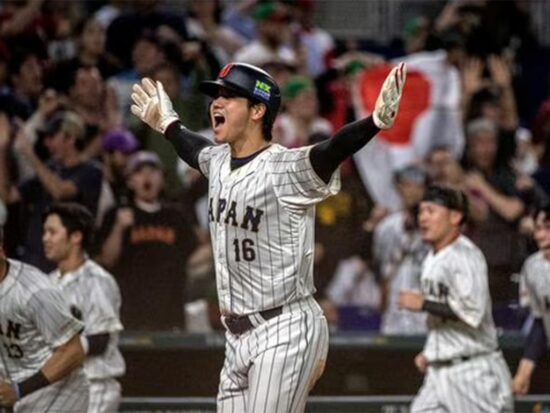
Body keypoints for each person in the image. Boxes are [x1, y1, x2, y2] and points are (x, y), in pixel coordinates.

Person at [130, 60, 406, 412]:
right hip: (237, 335)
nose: (216, 102)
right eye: (216, 95)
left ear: (258, 110)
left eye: (229, 96)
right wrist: (169, 125)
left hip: (285, 326)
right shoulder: (217, 161)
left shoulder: (283, 166)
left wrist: (373, 123)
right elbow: (193, 148)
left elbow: (330, 150)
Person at [398, 185, 513, 413]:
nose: (423, 218)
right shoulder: (433, 255)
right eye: (421, 212)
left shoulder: (465, 256)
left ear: (455, 216)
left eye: (431, 211)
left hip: (473, 373)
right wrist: (433, 351)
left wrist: (423, 304)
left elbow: (472, 312)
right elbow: (443, 317)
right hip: (440, 372)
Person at [43, 203, 125, 412]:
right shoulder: (48, 282)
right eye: (45, 232)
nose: (46, 239)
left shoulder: (97, 280)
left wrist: (60, 347)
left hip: (93, 386)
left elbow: (100, 340)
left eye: (52, 232)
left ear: (76, 237)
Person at [0, 225, 89, 412]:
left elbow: (73, 351)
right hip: (17, 394)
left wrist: (19, 390)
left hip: (58, 394)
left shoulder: (34, 290)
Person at [513, 205, 550, 395]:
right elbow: (540, 322)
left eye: (548, 228)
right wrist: (524, 372)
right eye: (537, 228)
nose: (540, 235)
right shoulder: (532, 266)